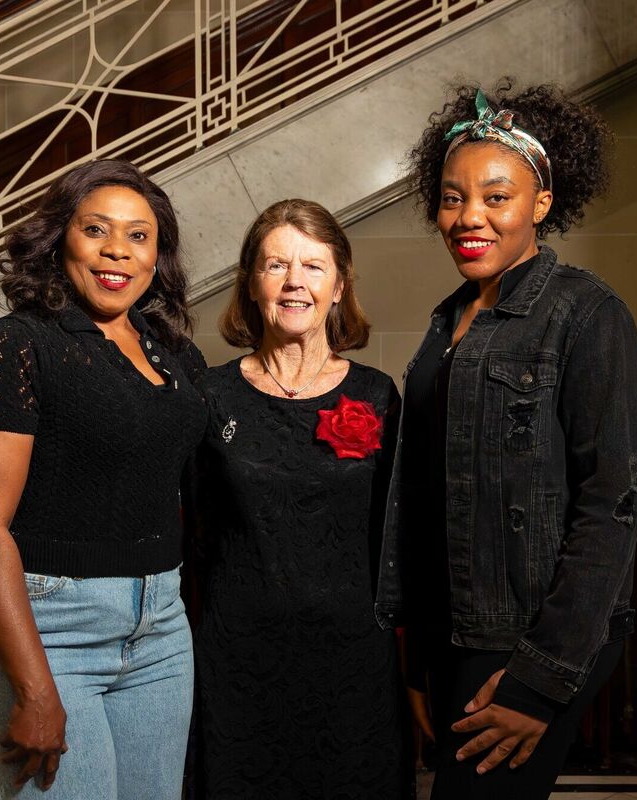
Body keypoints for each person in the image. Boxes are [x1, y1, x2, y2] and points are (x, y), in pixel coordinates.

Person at [375, 82, 637, 799]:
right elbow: (431, 502)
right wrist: (415, 660)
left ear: (541, 204)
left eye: (496, 197)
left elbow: (612, 505)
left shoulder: (587, 315)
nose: (470, 217)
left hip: (527, 637)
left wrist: (541, 678)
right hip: (449, 634)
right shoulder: (447, 322)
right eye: (452, 197)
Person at [0, 159, 207, 798]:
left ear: (158, 257)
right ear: (61, 238)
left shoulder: (173, 353)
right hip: (48, 629)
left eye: (138, 236)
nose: (117, 249)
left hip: (161, 630)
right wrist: (35, 689)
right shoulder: (18, 345)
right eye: (97, 229)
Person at [193, 199, 408, 798]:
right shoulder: (210, 395)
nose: (295, 282)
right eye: (276, 266)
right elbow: (190, 530)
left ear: (339, 286)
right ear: (251, 284)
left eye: (314, 267)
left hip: (352, 660)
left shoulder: (378, 394)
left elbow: (398, 538)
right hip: (237, 659)